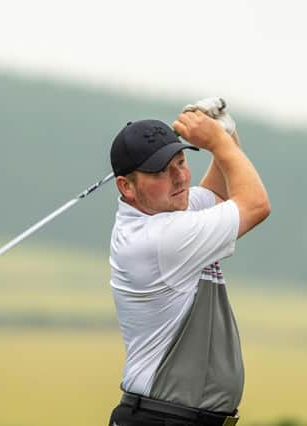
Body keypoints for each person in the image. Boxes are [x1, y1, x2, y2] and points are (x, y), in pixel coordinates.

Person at [107, 98, 271, 426]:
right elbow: (255, 205)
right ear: (126, 186)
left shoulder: (167, 210)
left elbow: (222, 195)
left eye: (181, 162)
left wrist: (226, 132)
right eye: (161, 172)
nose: (180, 178)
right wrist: (218, 142)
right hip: (162, 417)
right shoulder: (158, 238)